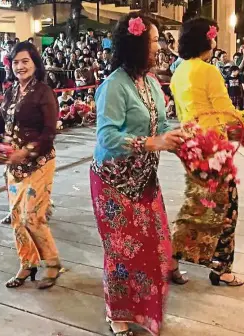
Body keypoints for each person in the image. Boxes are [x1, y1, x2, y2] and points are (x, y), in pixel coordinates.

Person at [90, 12, 185, 336]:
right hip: (113, 183)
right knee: (121, 252)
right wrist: (152, 142)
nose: (159, 47)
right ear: (136, 43)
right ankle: (118, 314)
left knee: (157, 248)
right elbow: (107, 137)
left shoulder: (151, 83)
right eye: (154, 41)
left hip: (145, 179)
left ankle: (144, 310)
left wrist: (179, 136)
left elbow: (161, 124)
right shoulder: (113, 86)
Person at [170, 17, 244, 287]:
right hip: (213, 150)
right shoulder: (208, 71)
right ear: (206, 39)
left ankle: (172, 260)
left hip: (191, 148)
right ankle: (221, 269)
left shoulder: (179, 71)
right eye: (213, 36)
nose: (214, 41)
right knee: (227, 208)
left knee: (195, 206)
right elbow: (229, 116)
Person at [0, 41, 62, 289]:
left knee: (32, 216)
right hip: (14, 166)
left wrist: (27, 151)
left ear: (35, 63)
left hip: (39, 163)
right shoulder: (11, 92)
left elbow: (49, 132)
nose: (20, 66)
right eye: (16, 62)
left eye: (25, 61)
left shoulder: (44, 92)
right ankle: (26, 263)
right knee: (18, 219)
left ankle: (52, 263)